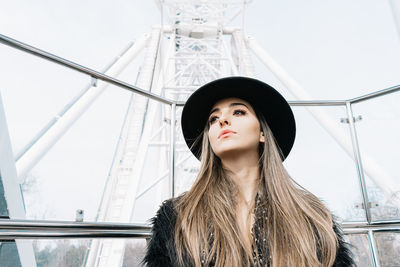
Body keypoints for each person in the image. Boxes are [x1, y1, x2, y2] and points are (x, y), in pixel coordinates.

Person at [143, 76, 354, 267]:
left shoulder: (311, 215)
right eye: (213, 119)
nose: (222, 121)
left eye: (238, 112)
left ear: (262, 133)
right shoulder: (177, 217)